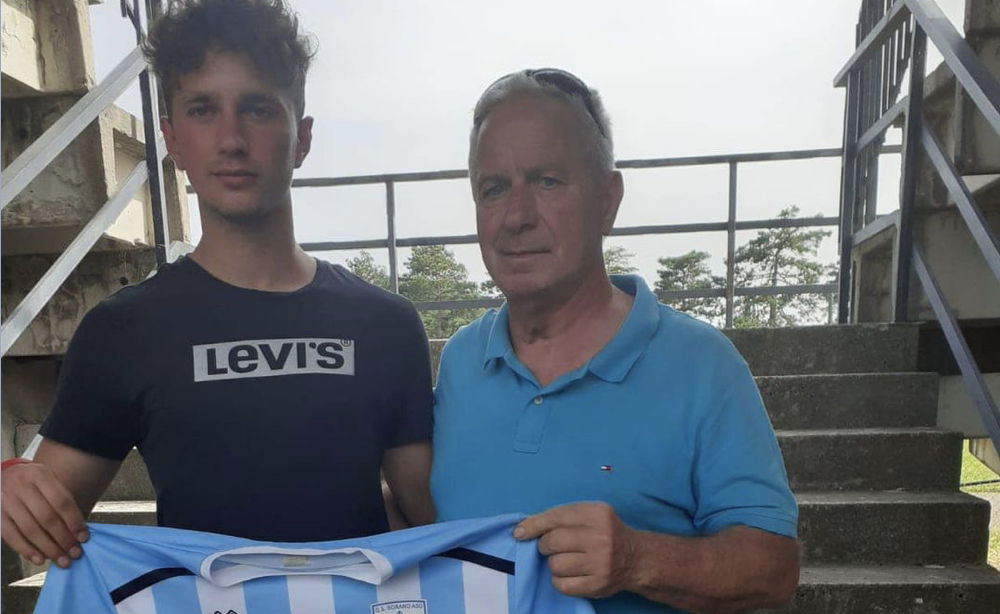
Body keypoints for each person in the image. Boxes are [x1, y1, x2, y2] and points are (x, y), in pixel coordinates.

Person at [1, 0, 434, 572]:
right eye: (203, 110)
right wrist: (12, 486)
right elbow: (41, 524)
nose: (231, 139)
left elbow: (434, 518)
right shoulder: (123, 331)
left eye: (258, 109)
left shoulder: (385, 323)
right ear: (172, 140)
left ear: (301, 138)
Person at [430, 68, 799, 614]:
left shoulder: (702, 365)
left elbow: (774, 571)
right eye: (494, 188)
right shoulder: (461, 361)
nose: (517, 216)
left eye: (547, 181)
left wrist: (637, 559)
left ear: (608, 200)